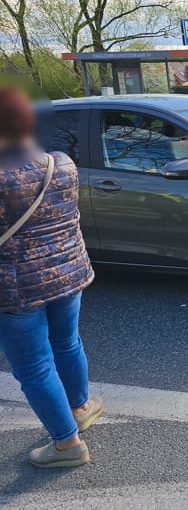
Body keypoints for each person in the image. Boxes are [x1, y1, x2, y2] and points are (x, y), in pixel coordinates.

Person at [0, 86, 102, 468]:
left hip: (16, 289)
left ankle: (66, 445)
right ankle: (80, 407)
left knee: (34, 367)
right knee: (67, 342)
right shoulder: (61, 163)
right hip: (67, 274)